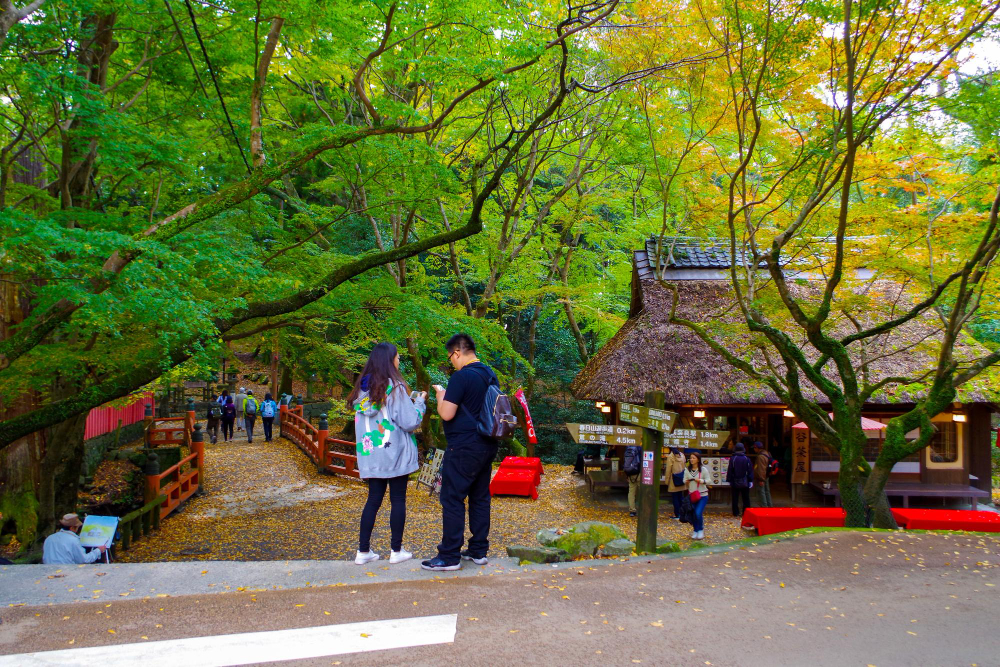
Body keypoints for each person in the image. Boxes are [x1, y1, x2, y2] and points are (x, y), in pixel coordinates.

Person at [422, 333, 499, 571]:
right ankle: (478, 551)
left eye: (450, 357)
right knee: (480, 497)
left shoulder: (461, 377)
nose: (451, 362)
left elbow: (446, 413)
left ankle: (449, 556)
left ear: (457, 352)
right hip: (487, 443)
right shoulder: (489, 374)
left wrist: (440, 396)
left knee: (452, 497)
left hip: (464, 445)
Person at [347, 343, 426, 565]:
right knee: (398, 499)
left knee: (373, 500)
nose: (399, 361)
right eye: (398, 358)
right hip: (395, 454)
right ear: (390, 361)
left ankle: (363, 551)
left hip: (371, 455)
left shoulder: (361, 391)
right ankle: (396, 550)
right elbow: (410, 422)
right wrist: (419, 403)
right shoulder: (395, 388)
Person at [42, 514, 106, 564]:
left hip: (48, 571)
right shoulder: (73, 540)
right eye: (77, 527)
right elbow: (84, 560)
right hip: (66, 572)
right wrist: (98, 550)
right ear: (72, 528)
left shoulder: (50, 538)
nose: (78, 529)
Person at [683, 452, 710, 540]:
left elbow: (709, 481)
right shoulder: (687, 469)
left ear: (698, 459)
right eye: (691, 458)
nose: (691, 460)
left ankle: (700, 530)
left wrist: (701, 481)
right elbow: (684, 480)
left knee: (698, 513)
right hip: (692, 495)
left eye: (694, 458)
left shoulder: (703, 469)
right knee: (693, 513)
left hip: (702, 495)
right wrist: (686, 481)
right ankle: (695, 530)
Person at [727, 442, 753, 517]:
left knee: (735, 498)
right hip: (745, 481)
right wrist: (750, 480)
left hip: (735, 481)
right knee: (746, 498)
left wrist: (729, 480)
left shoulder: (733, 459)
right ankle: (746, 513)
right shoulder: (747, 459)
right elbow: (750, 470)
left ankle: (736, 513)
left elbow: (730, 470)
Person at [665, 447, 686, 519]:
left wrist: (666, 480)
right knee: (680, 496)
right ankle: (683, 513)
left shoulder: (671, 456)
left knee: (675, 498)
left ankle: (677, 514)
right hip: (681, 477)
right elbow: (684, 466)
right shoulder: (682, 455)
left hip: (673, 479)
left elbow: (668, 469)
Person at [753, 442, 773, 508]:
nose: (753, 449)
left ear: (757, 448)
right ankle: (770, 506)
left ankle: (764, 507)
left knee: (762, 492)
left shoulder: (760, 457)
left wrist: (761, 479)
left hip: (762, 477)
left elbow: (761, 469)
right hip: (766, 475)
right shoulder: (767, 453)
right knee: (767, 491)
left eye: (754, 448)